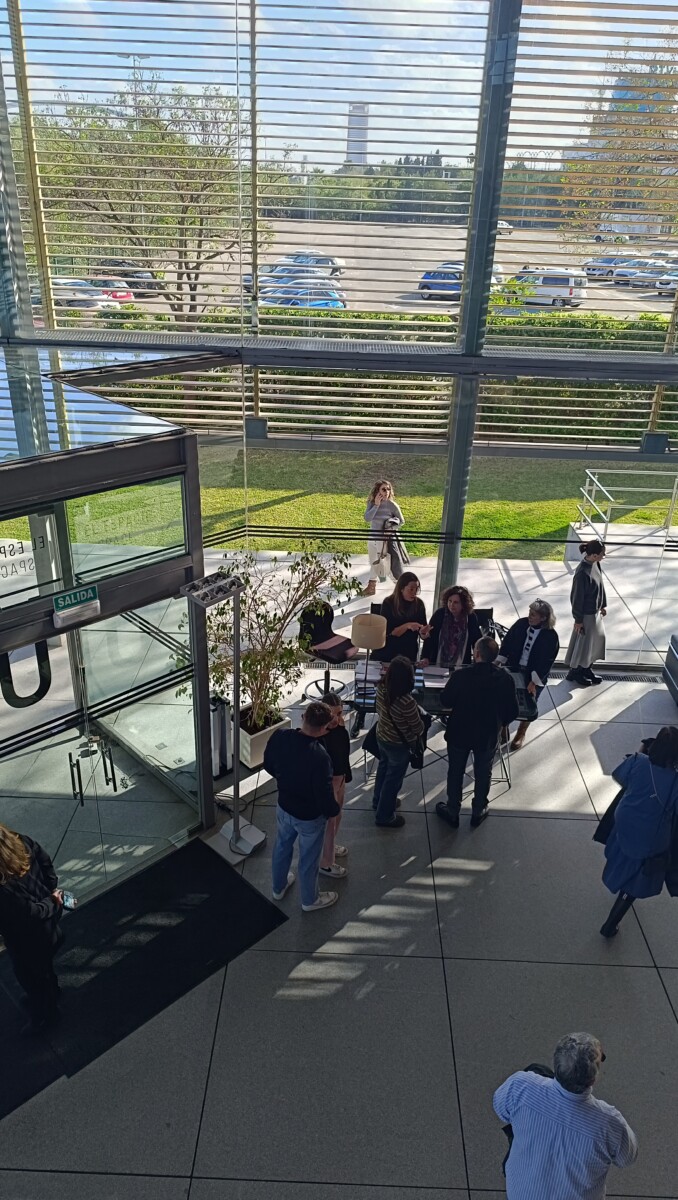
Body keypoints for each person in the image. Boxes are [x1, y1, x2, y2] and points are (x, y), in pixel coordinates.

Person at [493, 1032, 638, 1199]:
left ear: (556, 1064)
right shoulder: (609, 1122)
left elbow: (501, 1109)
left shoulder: (521, 1086)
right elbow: (627, 1158)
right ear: (592, 1080)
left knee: (537, 1069)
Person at [599, 725, 678, 938]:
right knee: (634, 883)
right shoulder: (675, 781)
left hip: (624, 823)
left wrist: (641, 752)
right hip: (650, 840)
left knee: (622, 857)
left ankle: (615, 878)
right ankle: (610, 925)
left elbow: (619, 777)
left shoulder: (637, 761)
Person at [264, 701, 341, 912]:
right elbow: (323, 795)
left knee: (281, 846)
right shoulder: (320, 757)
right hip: (309, 817)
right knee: (308, 858)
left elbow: (268, 764)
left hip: (284, 806)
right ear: (324, 729)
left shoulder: (280, 737)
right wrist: (333, 810)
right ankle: (310, 900)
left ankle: (278, 888)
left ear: (303, 717)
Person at [436, 636, 518, 829]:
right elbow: (513, 711)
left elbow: (446, 701)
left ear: (477, 653)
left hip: (459, 733)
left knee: (455, 771)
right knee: (483, 772)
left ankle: (452, 810)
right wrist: (500, 723)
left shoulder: (461, 676)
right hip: (487, 734)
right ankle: (478, 809)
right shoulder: (505, 679)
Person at [0, 823, 64, 1034]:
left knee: (30, 977)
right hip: (49, 928)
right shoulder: (21, 841)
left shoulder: (5, 890)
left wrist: (50, 903)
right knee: (45, 970)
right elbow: (45, 862)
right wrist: (52, 893)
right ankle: (52, 993)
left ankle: (45, 1017)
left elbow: (30, 913)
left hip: (28, 940)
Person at [497, 599, 560, 750]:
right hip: (514, 667)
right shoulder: (521, 624)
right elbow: (507, 642)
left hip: (534, 673)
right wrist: (499, 662)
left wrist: (534, 681)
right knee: (505, 697)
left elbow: (547, 661)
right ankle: (504, 727)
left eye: (533, 615)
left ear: (543, 618)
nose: (529, 617)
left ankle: (521, 733)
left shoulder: (551, 636)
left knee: (529, 702)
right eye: (529, 613)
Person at [373, 655, 424, 828]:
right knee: (393, 780)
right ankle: (385, 815)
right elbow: (417, 728)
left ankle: (377, 801)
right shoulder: (406, 701)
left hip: (382, 736)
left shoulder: (381, 688)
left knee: (383, 770)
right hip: (398, 744)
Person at [318, 691, 352, 879]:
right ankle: (326, 862)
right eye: (332, 714)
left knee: (337, 817)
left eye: (339, 714)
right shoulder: (321, 734)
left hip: (339, 779)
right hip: (329, 783)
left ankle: (329, 848)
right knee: (329, 822)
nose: (336, 719)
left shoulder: (340, 729)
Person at [565, 539, 607, 688]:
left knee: (595, 641)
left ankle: (586, 668)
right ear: (594, 555)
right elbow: (576, 598)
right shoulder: (582, 573)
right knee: (583, 645)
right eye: (602, 554)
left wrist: (602, 604)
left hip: (595, 613)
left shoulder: (596, 564)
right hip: (586, 615)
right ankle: (576, 672)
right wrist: (578, 619)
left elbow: (601, 585)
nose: (604, 556)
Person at [420, 584, 482, 670]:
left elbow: (477, 641)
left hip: (461, 666)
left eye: (456, 602)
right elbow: (429, 639)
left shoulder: (471, 618)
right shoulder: (439, 614)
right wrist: (425, 657)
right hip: (437, 663)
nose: (452, 605)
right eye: (450, 601)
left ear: (463, 604)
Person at [372, 572, 430, 664]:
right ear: (401, 589)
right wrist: (408, 626)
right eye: (411, 589)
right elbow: (390, 633)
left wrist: (423, 632)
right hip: (389, 648)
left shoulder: (419, 604)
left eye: (416, 589)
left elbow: (422, 629)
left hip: (409, 649)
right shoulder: (389, 603)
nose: (414, 593)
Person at [363, 479, 405, 597]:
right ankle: (372, 587)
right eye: (383, 489)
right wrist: (376, 505)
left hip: (384, 540)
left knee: (385, 564)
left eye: (388, 489)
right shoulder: (372, 503)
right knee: (373, 562)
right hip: (372, 538)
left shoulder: (392, 505)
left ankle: (400, 588)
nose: (386, 491)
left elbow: (401, 521)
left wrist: (390, 529)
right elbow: (367, 518)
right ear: (377, 491)